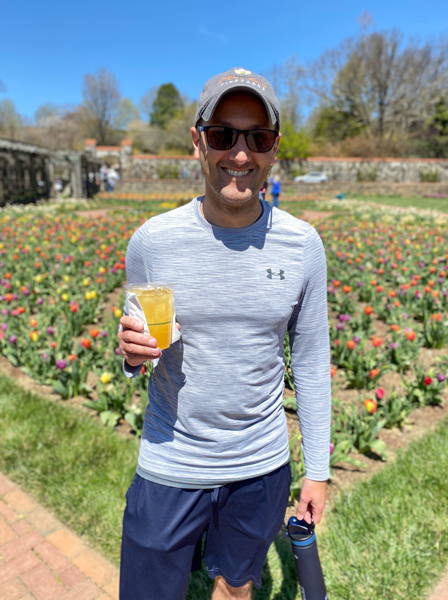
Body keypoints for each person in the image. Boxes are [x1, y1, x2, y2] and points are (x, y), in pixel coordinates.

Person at [117, 67, 331, 600]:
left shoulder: (303, 245)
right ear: (198, 142)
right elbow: (134, 345)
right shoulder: (152, 242)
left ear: (274, 149)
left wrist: (318, 470)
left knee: (236, 588)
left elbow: (309, 360)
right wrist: (129, 353)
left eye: (257, 138)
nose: (240, 154)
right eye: (222, 136)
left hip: (260, 464)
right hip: (171, 457)